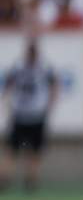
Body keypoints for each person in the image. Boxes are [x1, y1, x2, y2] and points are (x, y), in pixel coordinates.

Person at [1, 39, 58, 192]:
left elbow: (7, 86)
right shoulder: (43, 68)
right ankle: (27, 181)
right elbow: (54, 87)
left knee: (15, 150)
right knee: (30, 151)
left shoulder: (18, 67)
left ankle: (15, 180)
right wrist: (50, 105)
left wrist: (8, 103)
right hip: (33, 114)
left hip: (23, 114)